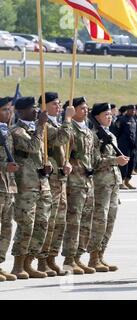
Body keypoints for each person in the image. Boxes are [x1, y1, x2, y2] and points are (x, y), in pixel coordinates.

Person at [10, 97, 52, 279]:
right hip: (25, 186)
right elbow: (32, 147)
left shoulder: (37, 129)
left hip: (41, 183)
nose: (36, 111)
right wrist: (41, 126)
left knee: (42, 225)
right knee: (26, 225)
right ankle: (18, 265)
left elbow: (39, 154)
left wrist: (47, 164)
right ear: (20, 112)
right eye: (31, 108)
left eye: (36, 107)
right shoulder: (17, 130)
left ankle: (29, 262)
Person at [87, 103, 129, 272]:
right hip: (101, 184)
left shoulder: (110, 134)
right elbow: (93, 162)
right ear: (97, 117)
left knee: (110, 221)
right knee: (100, 221)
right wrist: (114, 161)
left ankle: (101, 255)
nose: (110, 117)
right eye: (106, 114)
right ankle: (93, 257)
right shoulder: (94, 136)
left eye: (111, 114)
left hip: (113, 182)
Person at [36, 92, 74, 277]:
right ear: (44, 106)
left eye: (59, 104)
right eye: (54, 104)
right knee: (49, 221)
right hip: (50, 180)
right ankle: (42, 260)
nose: (59, 107)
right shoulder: (44, 125)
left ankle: (52, 256)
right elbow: (60, 139)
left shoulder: (57, 123)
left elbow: (62, 147)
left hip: (61, 179)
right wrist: (68, 119)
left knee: (60, 222)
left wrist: (66, 162)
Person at [62, 97, 96, 275]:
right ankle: (69, 259)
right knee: (73, 222)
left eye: (87, 108)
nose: (86, 110)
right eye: (82, 108)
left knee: (85, 223)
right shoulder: (70, 129)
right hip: (74, 182)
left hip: (88, 182)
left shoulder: (88, 130)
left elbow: (93, 156)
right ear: (73, 110)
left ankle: (78, 257)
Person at [0, 97, 18, 281]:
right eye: (5, 109)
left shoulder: (8, 131)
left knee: (6, 227)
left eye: (10, 109)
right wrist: (4, 167)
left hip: (8, 186)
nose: (9, 112)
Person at [113, 105, 137, 190]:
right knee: (124, 165)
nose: (133, 112)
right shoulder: (122, 119)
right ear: (128, 110)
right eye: (132, 110)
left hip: (132, 145)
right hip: (124, 145)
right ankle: (121, 181)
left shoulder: (133, 120)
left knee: (131, 163)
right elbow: (117, 132)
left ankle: (127, 180)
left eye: (134, 110)